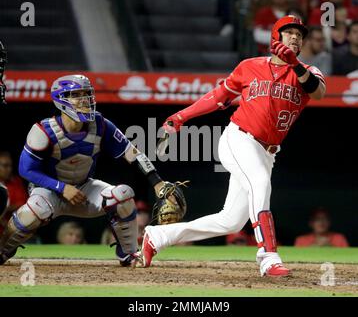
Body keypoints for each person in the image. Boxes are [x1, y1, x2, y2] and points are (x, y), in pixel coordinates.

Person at [139, 16, 326, 277]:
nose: (295, 37)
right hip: (239, 138)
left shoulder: (308, 71)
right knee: (260, 183)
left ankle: (157, 236)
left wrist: (295, 65)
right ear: (276, 37)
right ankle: (268, 256)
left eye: (299, 34)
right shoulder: (250, 66)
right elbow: (218, 97)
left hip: (267, 151)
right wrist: (182, 116)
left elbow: (317, 91)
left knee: (230, 221)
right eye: (289, 32)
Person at [0, 74, 176, 266]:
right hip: (49, 191)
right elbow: (26, 170)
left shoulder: (100, 125)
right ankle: (3, 249)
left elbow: (133, 154)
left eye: (87, 94)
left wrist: (157, 182)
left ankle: (129, 252)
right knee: (35, 210)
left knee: (123, 195)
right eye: (77, 95)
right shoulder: (43, 130)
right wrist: (61, 187)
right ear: (61, 99)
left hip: (83, 189)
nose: (85, 100)